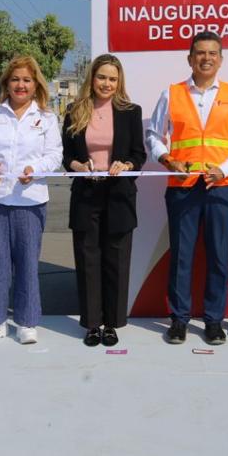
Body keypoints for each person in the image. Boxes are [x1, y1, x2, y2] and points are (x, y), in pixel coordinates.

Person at [146, 32, 228, 345]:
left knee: (219, 257)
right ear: (190, 58)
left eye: (212, 53)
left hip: (222, 186)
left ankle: (213, 320)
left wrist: (223, 169)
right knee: (182, 255)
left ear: (221, 59)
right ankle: (179, 320)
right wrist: (167, 159)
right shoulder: (172, 93)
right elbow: (153, 135)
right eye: (200, 53)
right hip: (183, 186)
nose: (206, 58)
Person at [0, 55, 63, 344]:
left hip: (30, 200)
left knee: (27, 263)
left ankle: (26, 321)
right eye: (15, 79)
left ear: (36, 85)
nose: (20, 85)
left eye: (26, 80)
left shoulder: (46, 118)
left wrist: (36, 171)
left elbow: (55, 155)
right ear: (6, 84)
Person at [62, 54, 146, 346]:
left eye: (112, 78)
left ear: (119, 81)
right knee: (88, 260)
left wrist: (126, 165)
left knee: (116, 261)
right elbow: (66, 156)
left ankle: (112, 323)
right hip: (86, 193)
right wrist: (77, 166)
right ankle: (91, 324)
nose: (107, 84)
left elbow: (139, 155)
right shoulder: (75, 110)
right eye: (102, 77)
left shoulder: (130, 111)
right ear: (92, 78)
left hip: (119, 194)